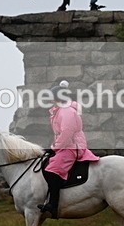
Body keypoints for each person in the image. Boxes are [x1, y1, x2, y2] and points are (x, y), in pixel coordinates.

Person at [38, 81, 99, 218]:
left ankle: (53, 205)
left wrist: (54, 147)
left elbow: (67, 133)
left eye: (52, 97)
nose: (50, 100)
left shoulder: (66, 111)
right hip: (66, 145)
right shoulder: (59, 111)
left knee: (52, 170)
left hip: (72, 146)